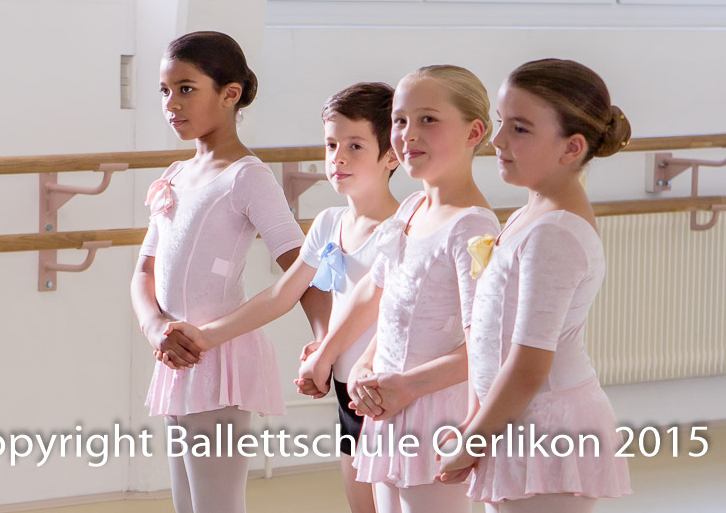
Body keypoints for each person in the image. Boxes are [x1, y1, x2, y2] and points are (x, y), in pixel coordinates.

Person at [166, 82, 400, 513]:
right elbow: (281, 294)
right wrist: (206, 336)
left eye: (355, 146)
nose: (338, 158)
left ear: (392, 155)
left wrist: (325, 353)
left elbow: (392, 314)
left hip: (389, 388)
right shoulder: (329, 223)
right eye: (331, 144)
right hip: (347, 392)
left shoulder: (404, 227)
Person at [130, 31, 328, 513]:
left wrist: (327, 345)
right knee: (187, 505)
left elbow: (302, 267)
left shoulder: (247, 176)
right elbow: (143, 272)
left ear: (230, 93)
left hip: (218, 360)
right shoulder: (176, 175)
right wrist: (156, 328)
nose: (171, 103)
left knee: (217, 505)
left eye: (186, 88)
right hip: (175, 355)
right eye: (164, 90)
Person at [299, 65, 500, 513]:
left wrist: (407, 387)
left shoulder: (473, 226)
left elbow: (487, 347)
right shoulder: (410, 209)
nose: (408, 133)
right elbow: (379, 295)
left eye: (428, 119)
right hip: (388, 405)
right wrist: (364, 365)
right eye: (401, 120)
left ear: (473, 132)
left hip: (434, 412)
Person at [436, 58, 633, 513]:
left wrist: (471, 443)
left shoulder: (555, 232)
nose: (498, 139)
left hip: (546, 429)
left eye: (520, 128)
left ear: (571, 147)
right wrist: (476, 423)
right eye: (502, 122)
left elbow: (529, 365)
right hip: (512, 419)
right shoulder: (530, 215)